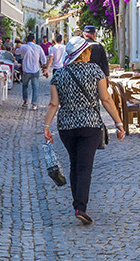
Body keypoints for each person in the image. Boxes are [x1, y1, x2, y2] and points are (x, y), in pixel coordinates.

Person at [43, 37, 124, 225]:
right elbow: (106, 99)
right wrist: (118, 123)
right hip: (90, 126)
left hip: (66, 127)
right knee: (85, 167)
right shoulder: (95, 71)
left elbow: (53, 104)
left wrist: (46, 127)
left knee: (74, 163)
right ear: (84, 53)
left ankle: (77, 204)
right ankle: (80, 207)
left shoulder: (59, 74)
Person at [16, 34, 47, 110]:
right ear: (34, 40)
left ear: (27, 40)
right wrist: (44, 68)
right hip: (35, 70)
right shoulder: (38, 47)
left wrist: (18, 45)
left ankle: (25, 101)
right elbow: (43, 59)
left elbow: (16, 52)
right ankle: (34, 104)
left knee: (25, 86)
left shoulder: (24, 47)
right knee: (35, 88)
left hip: (26, 70)